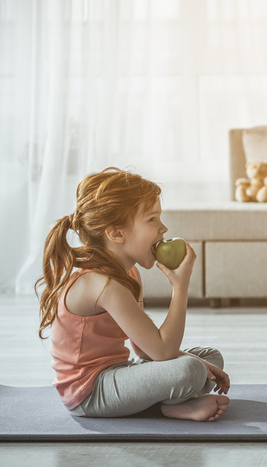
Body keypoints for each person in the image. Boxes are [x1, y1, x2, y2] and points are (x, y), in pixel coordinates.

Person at [36, 168, 230, 421]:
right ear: (116, 233)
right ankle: (172, 406)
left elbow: (143, 348)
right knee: (190, 369)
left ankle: (170, 399)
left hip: (120, 372)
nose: (164, 228)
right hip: (90, 394)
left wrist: (200, 364)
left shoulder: (128, 273)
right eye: (152, 220)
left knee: (208, 358)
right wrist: (180, 288)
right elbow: (161, 352)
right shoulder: (103, 284)